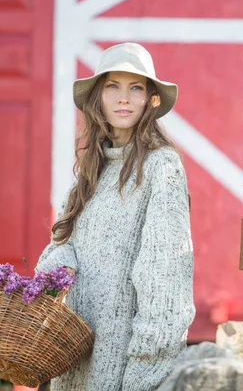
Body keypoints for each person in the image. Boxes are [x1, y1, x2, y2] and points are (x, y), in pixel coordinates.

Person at [35, 42, 196, 391]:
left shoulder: (161, 167)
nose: (124, 98)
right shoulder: (92, 171)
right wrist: (60, 266)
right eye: (113, 86)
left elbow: (164, 280)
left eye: (135, 87)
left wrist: (145, 371)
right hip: (75, 360)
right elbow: (61, 245)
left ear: (150, 99)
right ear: (98, 99)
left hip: (124, 364)